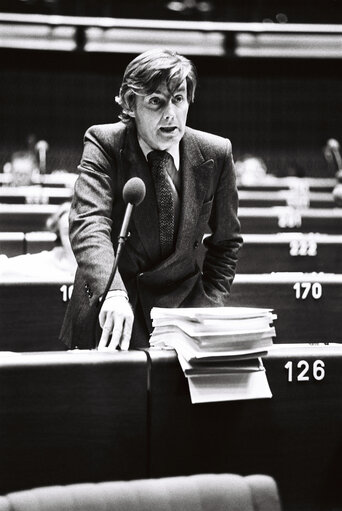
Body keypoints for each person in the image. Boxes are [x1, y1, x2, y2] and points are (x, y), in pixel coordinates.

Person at [60, 48, 243, 352]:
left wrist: (209, 303)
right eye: (156, 101)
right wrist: (113, 293)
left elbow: (227, 243)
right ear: (131, 104)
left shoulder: (216, 152)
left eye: (179, 99)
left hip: (183, 319)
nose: (170, 114)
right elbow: (88, 224)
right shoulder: (104, 143)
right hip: (113, 314)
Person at [0, 202, 77, 280]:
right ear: (59, 234)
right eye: (66, 232)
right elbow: (3, 265)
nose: (73, 238)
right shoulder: (46, 262)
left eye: (79, 231)